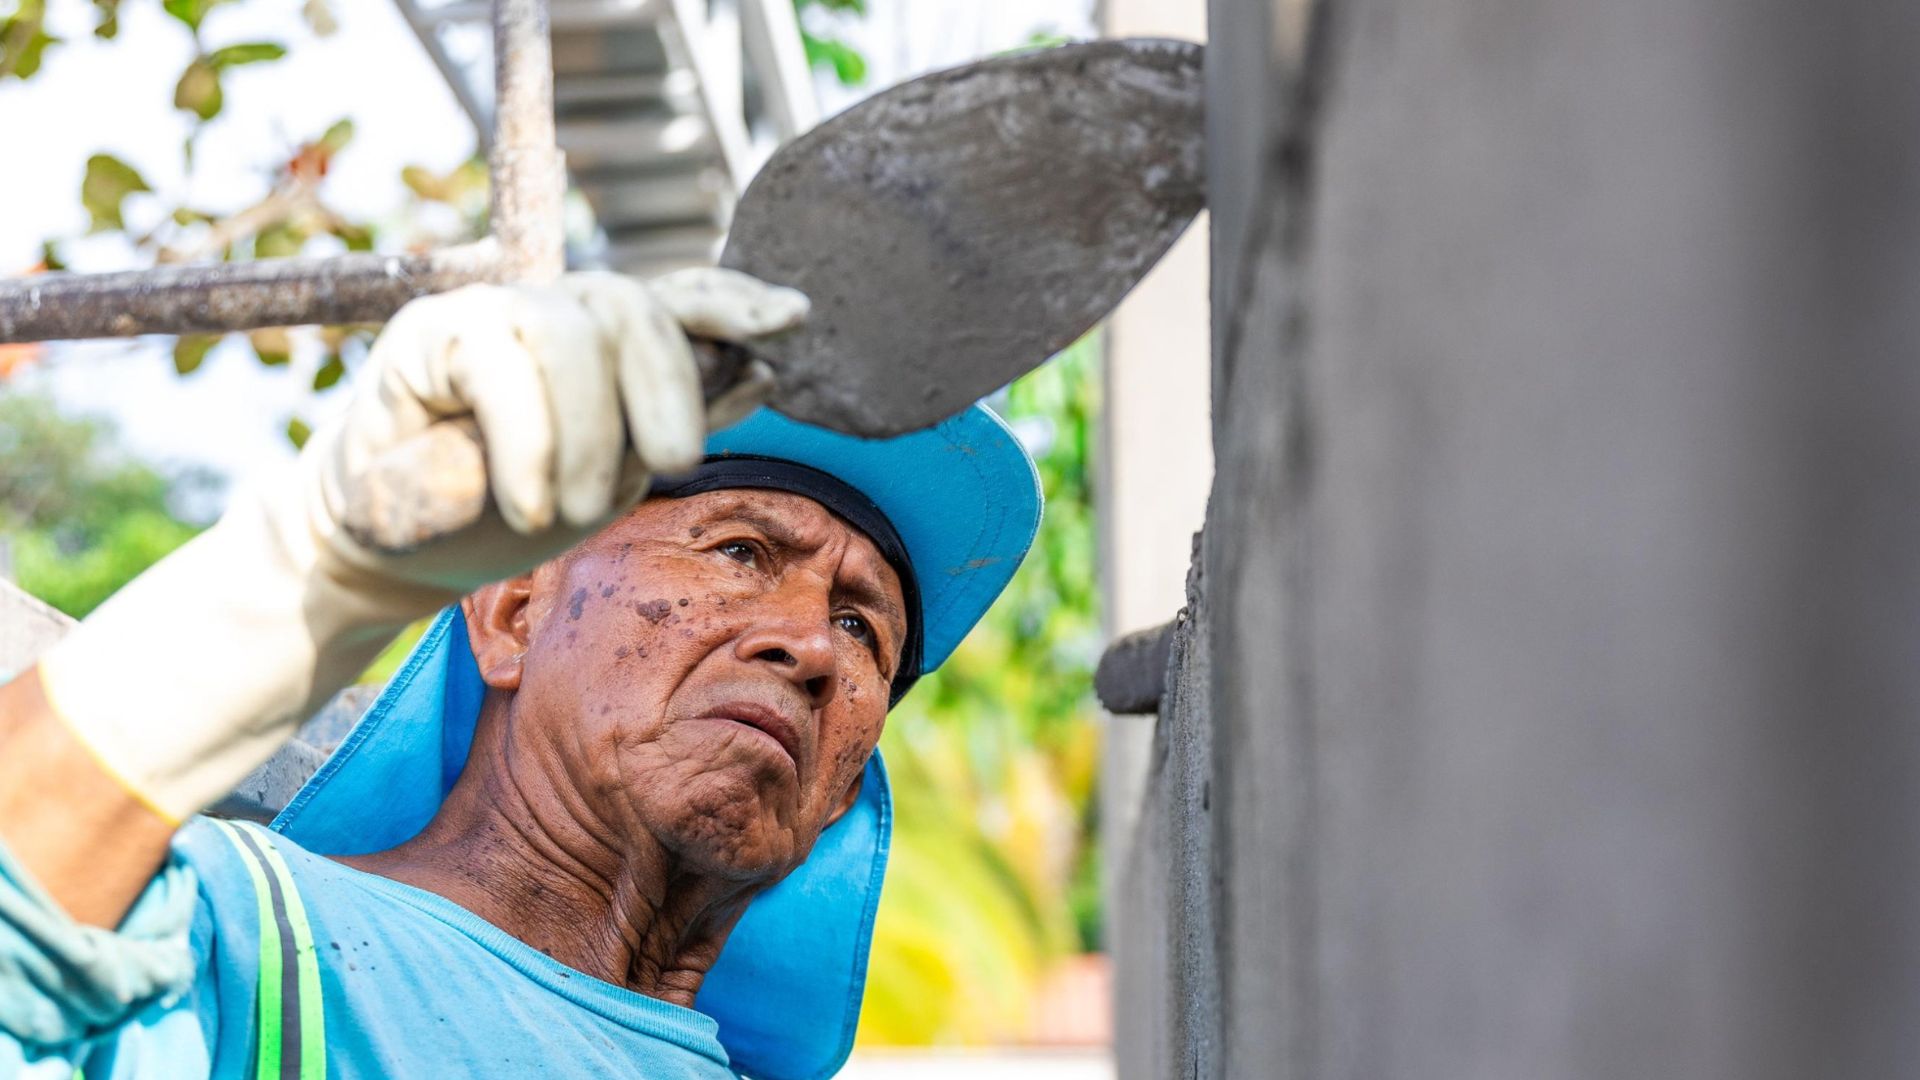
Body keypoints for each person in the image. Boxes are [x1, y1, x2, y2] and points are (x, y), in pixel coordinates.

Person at [0, 268, 1042, 1078]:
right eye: (739, 552)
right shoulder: (247, 932)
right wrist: (320, 558)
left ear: (842, 790)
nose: (813, 647)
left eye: (863, 629)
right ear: (513, 610)